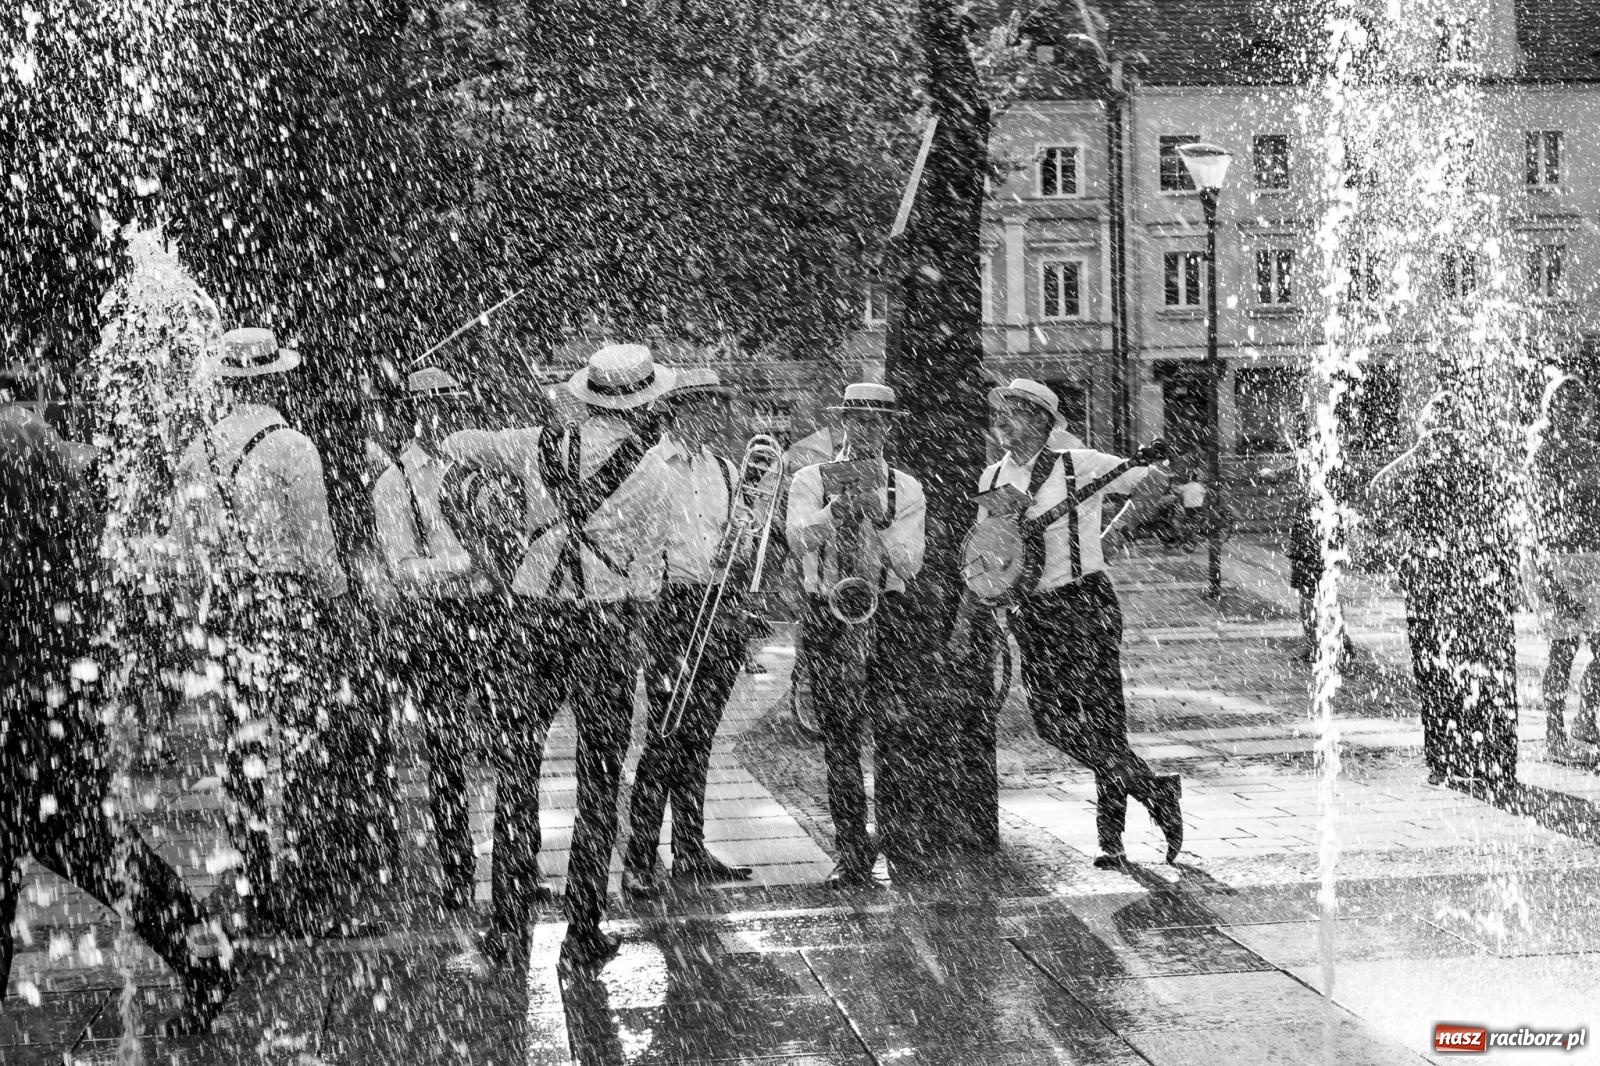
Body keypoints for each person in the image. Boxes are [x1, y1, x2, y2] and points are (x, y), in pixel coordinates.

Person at [1, 375, 235, 1034]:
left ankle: (200, 950)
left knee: (85, 845)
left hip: (28, 690)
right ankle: (200, 948)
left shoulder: (14, 441)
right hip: (53, 684)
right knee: (89, 845)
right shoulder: (29, 436)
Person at [445, 343, 672, 967]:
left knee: (517, 770)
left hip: (533, 618)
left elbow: (461, 447)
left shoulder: (539, 442)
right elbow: (649, 570)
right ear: (643, 402)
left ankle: (508, 927)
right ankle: (582, 931)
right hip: (604, 624)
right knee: (599, 777)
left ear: (590, 395)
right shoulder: (656, 469)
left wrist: (482, 507)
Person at [950, 378, 1182, 869]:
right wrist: (973, 612)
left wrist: (1114, 534)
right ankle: (1154, 790)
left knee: (1104, 720)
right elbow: (988, 550)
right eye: (1001, 410)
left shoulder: (1079, 464)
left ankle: (1111, 840)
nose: (1002, 418)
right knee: (1051, 723)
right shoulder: (992, 476)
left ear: (1041, 420)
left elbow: (1155, 480)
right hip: (1032, 611)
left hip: (1085, 601)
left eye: (1014, 410)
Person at [172, 327, 358, 933]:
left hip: (229, 607)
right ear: (276, 377)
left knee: (243, 746)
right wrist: (338, 601)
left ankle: (254, 882)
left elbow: (188, 551)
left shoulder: (196, 452)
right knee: (305, 748)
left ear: (227, 383)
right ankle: (309, 890)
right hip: (289, 604)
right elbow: (317, 547)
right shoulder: (293, 448)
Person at [623, 368, 767, 898]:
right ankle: (640, 857)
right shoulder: (649, 466)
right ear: (677, 410)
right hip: (671, 607)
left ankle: (690, 847)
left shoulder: (726, 469)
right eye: (704, 405)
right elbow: (636, 544)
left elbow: (739, 545)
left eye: (716, 405)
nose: (714, 414)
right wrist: (646, 617)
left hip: (720, 606)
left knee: (700, 735)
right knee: (665, 735)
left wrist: (742, 541)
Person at [784, 382, 926, 888]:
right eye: (858, 419)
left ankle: (899, 845)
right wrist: (834, 513)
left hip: (886, 612)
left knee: (894, 734)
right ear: (842, 422)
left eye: (876, 421)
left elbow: (909, 566)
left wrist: (880, 522)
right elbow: (796, 540)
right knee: (839, 740)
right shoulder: (810, 478)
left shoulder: (906, 488)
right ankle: (852, 852)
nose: (867, 430)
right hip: (828, 612)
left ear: (889, 427)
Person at [372, 367, 498, 910]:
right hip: (436, 623)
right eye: (438, 405)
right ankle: (456, 870)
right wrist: (468, 564)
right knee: (447, 750)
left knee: (508, 744)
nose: (449, 413)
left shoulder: (478, 466)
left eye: (454, 402)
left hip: (492, 614)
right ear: (416, 414)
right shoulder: (394, 481)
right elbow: (402, 567)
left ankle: (511, 870)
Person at [1369, 391, 1518, 792]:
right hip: (1429, 589)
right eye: (1436, 421)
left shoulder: (1481, 465)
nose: (1445, 430)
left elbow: (1515, 487)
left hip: (1478, 589)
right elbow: (1376, 491)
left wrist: (1474, 449)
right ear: (1424, 428)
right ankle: (1445, 759)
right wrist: (1418, 451)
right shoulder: (1418, 466)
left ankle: (1493, 760)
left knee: (1486, 674)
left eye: (1452, 421)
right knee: (1434, 675)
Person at [1534, 377, 1600, 762]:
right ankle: (1554, 735)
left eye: (1580, 402)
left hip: (1595, 559)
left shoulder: (1593, 450)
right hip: (1559, 561)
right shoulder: (1543, 453)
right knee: (1563, 650)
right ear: (1552, 407)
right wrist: (1549, 579)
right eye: (1566, 401)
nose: (1574, 408)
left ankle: (1587, 720)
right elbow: (1538, 517)